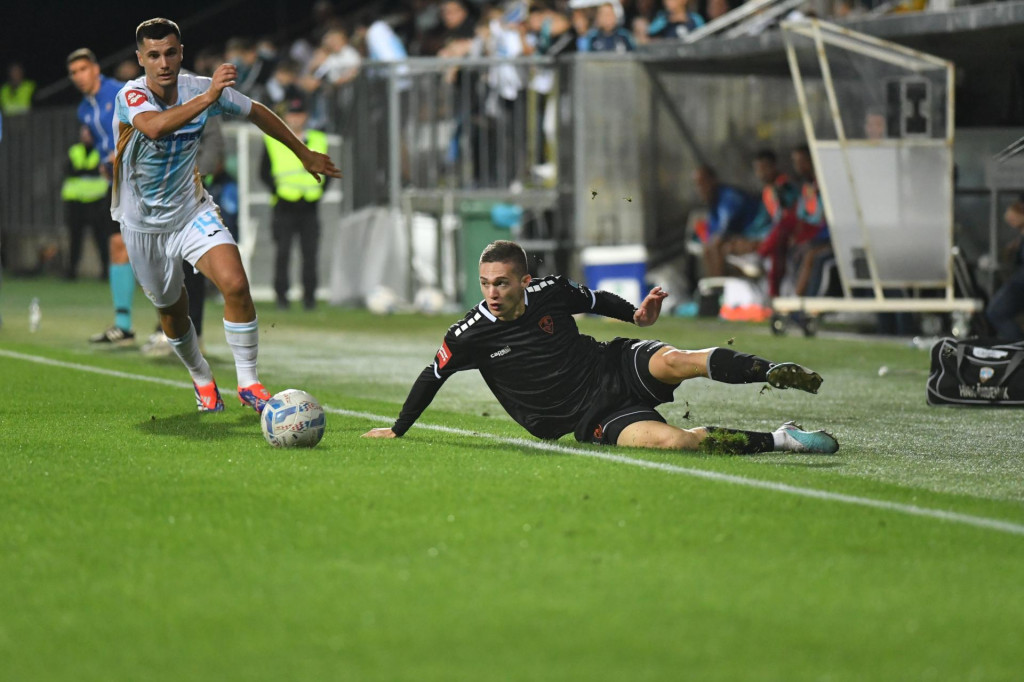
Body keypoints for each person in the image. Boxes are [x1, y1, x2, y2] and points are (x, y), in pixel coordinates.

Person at [363, 240, 838, 454]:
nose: (491, 292)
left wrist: (634, 315)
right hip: (586, 418)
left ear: (524, 282)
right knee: (673, 442)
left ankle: (771, 370)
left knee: (678, 360)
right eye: (485, 283)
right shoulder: (469, 334)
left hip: (610, 365)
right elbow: (433, 375)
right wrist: (398, 429)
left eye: (501, 283)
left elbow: (592, 299)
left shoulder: (549, 291)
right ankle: (782, 439)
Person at [112, 18, 341, 412]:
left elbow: (256, 111)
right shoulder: (131, 96)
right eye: (153, 55)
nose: (163, 62)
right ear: (140, 60)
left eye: (170, 53)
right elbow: (152, 128)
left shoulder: (200, 87)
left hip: (190, 210)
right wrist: (209, 98)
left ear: (180, 53)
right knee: (172, 311)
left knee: (235, 283)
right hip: (143, 225)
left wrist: (302, 153)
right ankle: (202, 379)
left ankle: (249, 382)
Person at [66, 48, 138, 344]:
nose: (79, 76)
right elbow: (100, 143)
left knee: (154, 250)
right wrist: (103, 161)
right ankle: (123, 325)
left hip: (139, 178)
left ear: (95, 68)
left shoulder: (119, 92)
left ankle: (168, 325)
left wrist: (119, 154)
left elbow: (139, 128)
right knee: (116, 245)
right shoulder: (84, 109)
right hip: (116, 184)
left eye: (83, 69)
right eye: (73, 73)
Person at [260, 90, 327, 310]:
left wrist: (319, 191)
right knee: (283, 253)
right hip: (284, 205)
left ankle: (310, 298)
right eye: (292, 114)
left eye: (300, 114)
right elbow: (264, 172)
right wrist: (277, 191)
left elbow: (328, 170)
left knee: (310, 254)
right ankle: (282, 298)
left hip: (310, 205)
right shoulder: (274, 140)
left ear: (306, 115)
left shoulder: (318, 139)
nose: (296, 118)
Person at [61, 126, 111, 280]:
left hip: (97, 201)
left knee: (101, 238)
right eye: (83, 133)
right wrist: (90, 171)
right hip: (76, 201)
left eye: (88, 133)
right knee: (75, 238)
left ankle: (105, 272)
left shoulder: (100, 150)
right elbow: (68, 170)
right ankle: (72, 272)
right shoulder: (74, 150)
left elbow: (101, 170)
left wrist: (82, 171)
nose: (85, 136)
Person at [986, 200, 1024, 342]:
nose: (1010, 222)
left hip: (1020, 283)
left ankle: (1018, 347)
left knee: (997, 312)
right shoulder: (1019, 237)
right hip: (1018, 281)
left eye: (1012, 218)